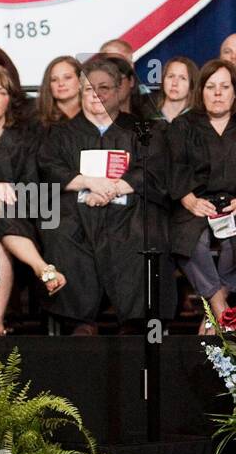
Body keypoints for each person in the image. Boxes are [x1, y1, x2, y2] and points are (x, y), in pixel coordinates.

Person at [36, 58, 170, 334]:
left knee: (142, 231)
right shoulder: (62, 133)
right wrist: (89, 182)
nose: (97, 95)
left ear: (120, 91)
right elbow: (50, 167)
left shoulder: (143, 129)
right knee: (62, 231)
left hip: (128, 205)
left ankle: (135, 321)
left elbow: (155, 168)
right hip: (78, 206)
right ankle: (80, 322)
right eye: (89, 89)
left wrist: (113, 188)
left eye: (104, 88)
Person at [167, 59, 236, 333]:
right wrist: (187, 198)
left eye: (225, 87)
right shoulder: (182, 126)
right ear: (200, 91)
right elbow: (173, 165)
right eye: (211, 87)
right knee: (192, 240)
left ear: (235, 92)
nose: (217, 93)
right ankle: (220, 307)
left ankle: (214, 309)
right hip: (197, 202)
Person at [0, 65, 65, 335]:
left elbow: (34, 187)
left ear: (10, 100)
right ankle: (42, 268)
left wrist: (6, 193)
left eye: (1, 92)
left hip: (19, 214)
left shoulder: (25, 139)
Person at [34, 55, 82, 129]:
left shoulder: (97, 115)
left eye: (67, 77)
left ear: (81, 81)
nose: (61, 83)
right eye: (54, 79)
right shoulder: (35, 120)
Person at [153, 56, 198, 122]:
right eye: (171, 76)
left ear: (191, 85)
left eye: (182, 78)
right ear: (163, 80)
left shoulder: (197, 121)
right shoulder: (147, 115)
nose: (174, 83)